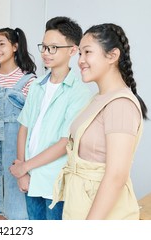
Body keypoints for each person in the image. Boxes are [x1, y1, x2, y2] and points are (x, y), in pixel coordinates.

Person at [50, 23, 148, 219]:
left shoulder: (120, 104)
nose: (81, 61)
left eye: (87, 52)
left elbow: (116, 176)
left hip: (99, 215)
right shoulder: (96, 99)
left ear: (112, 56)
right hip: (79, 204)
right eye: (80, 54)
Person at [9, 16, 91, 220]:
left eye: (53, 47)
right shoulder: (37, 85)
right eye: (44, 47)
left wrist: (23, 168)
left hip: (56, 182)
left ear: (73, 50)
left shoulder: (80, 92)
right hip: (30, 179)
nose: (46, 53)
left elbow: (65, 143)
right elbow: (24, 127)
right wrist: (22, 169)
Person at [0, 27, 36, 220]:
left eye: (1, 44)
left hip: (17, 153)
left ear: (15, 47)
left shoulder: (29, 81)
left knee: (18, 208)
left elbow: (32, 123)